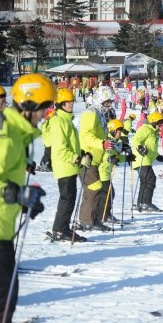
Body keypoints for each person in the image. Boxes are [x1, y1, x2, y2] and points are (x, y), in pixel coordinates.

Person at [0, 73, 50, 323]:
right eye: (44, 107)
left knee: (5, 299)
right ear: (28, 105)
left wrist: (24, 197)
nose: (46, 113)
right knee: (2, 300)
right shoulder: (4, 132)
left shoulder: (16, 133)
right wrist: (14, 194)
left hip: (1, 229)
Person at [50, 88, 91, 242]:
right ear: (60, 104)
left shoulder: (66, 120)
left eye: (72, 101)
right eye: (67, 102)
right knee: (67, 198)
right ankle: (60, 230)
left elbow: (71, 145)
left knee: (68, 198)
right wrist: (77, 158)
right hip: (64, 165)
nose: (71, 104)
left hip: (70, 165)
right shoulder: (58, 121)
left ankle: (61, 228)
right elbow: (61, 149)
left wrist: (82, 154)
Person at [78, 86, 115, 232]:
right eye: (107, 102)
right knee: (94, 189)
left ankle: (94, 219)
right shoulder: (91, 113)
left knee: (96, 189)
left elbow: (103, 135)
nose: (109, 105)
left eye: (110, 101)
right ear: (100, 100)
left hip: (96, 159)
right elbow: (86, 134)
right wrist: (101, 144)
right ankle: (87, 221)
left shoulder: (101, 114)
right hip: (88, 157)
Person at [131, 111, 163, 212]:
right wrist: (140, 148)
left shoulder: (153, 132)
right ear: (154, 122)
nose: (161, 126)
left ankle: (141, 203)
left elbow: (151, 149)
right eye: (160, 123)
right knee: (150, 179)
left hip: (145, 160)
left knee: (145, 181)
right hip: (141, 159)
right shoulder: (145, 128)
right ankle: (146, 203)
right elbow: (135, 140)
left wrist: (159, 157)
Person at [38, 106, 55, 172]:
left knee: (48, 153)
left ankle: (44, 163)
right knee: (48, 154)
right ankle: (46, 164)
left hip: (50, 141)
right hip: (48, 142)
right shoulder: (46, 123)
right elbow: (44, 130)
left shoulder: (50, 122)